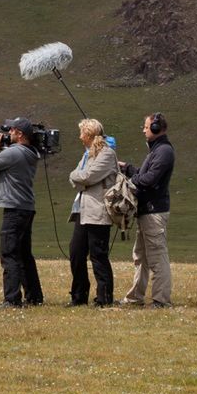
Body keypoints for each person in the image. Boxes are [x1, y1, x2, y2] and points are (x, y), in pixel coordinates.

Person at [0, 116, 44, 308]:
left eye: (12, 131)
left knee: (9, 254)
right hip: (26, 207)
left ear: (19, 133)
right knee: (24, 254)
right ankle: (34, 296)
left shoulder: (14, 153)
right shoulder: (30, 152)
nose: (8, 134)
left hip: (14, 209)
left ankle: (12, 299)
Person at [119, 112, 175, 308]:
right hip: (147, 212)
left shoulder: (164, 152)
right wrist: (127, 168)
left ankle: (161, 300)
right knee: (141, 257)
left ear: (156, 128)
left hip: (154, 212)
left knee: (157, 258)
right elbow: (145, 175)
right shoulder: (156, 151)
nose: (143, 130)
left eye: (146, 126)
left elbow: (150, 180)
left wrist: (130, 180)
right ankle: (135, 297)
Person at [67, 118, 118, 307]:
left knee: (98, 255)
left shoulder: (106, 154)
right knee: (76, 252)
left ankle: (104, 297)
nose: (80, 137)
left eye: (82, 133)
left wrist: (77, 178)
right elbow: (78, 176)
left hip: (98, 212)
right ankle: (79, 296)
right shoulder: (88, 154)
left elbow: (87, 176)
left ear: (89, 134)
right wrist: (78, 178)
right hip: (83, 210)